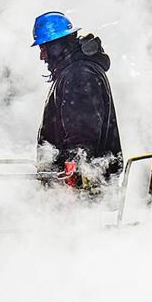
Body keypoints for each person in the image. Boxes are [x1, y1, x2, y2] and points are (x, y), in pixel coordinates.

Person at [32, 11, 122, 186]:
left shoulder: (79, 75)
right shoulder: (73, 71)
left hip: (86, 188)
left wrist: (72, 183)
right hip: (84, 184)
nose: (42, 56)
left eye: (43, 48)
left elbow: (82, 139)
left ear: (56, 47)